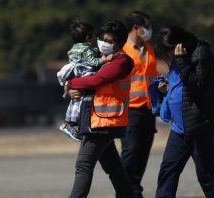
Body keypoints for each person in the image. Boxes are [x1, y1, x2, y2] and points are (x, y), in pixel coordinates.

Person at [155, 25, 214, 198]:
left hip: (198, 124)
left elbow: (196, 85)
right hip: (179, 127)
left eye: (170, 50)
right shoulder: (177, 58)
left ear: (179, 44)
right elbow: (178, 85)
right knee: (168, 170)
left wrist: (181, 60)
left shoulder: (201, 53)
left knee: (206, 173)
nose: (169, 55)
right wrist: (165, 90)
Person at [65, 20, 135, 198]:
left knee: (83, 166)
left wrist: (70, 82)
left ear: (120, 43)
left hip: (104, 122)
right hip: (98, 120)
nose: (104, 43)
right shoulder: (101, 60)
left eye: (109, 41)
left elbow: (95, 81)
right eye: (102, 39)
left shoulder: (121, 61)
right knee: (114, 169)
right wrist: (70, 88)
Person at [120, 11, 158, 198]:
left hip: (148, 108)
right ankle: (125, 191)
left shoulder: (149, 49)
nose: (150, 30)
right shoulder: (121, 50)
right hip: (129, 108)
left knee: (143, 152)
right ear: (136, 28)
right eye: (147, 26)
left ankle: (135, 189)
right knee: (130, 151)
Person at [57, 20, 113, 141]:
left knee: (75, 102)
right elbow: (92, 62)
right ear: (88, 37)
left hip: (76, 74)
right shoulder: (87, 49)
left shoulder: (73, 48)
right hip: (85, 74)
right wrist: (105, 60)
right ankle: (71, 125)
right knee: (80, 101)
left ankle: (69, 124)